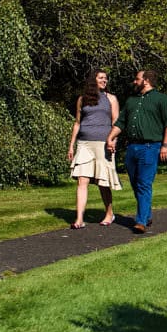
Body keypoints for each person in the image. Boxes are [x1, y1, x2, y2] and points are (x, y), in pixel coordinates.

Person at [106, 69, 167, 233]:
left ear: (146, 81)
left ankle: (141, 221)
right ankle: (147, 214)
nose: (134, 82)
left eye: (137, 79)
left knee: (144, 183)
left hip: (150, 147)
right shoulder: (131, 101)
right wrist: (110, 138)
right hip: (132, 148)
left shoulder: (162, 99)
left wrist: (166, 145)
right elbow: (120, 123)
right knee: (135, 183)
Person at [67, 69, 122, 229]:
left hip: (103, 144)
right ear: (93, 80)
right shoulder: (82, 99)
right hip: (84, 144)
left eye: (106, 78)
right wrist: (71, 145)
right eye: (101, 78)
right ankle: (79, 219)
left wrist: (113, 141)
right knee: (81, 180)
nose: (105, 80)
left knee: (102, 182)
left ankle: (109, 213)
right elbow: (77, 122)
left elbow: (116, 123)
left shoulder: (111, 99)